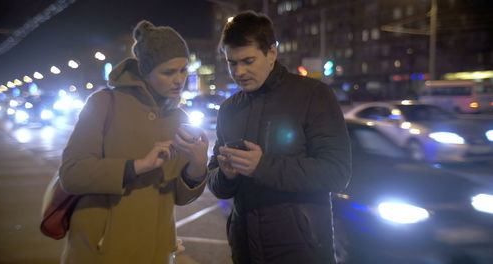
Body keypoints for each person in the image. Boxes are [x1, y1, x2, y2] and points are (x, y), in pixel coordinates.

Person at [58, 20, 209, 264]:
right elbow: (71, 173)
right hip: (102, 250)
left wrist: (198, 166)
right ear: (146, 72)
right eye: (168, 72)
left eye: (183, 70)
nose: (179, 80)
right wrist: (136, 166)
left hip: (155, 253)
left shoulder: (179, 118)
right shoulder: (104, 103)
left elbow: (180, 197)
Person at [208, 11, 351, 264]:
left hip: (301, 251)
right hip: (246, 250)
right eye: (232, 63)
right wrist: (226, 174)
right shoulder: (229, 109)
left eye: (248, 61)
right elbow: (217, 185)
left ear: (271, 53)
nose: (239, 71)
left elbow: (337, 173)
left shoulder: (313, 95)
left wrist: (262, 166)